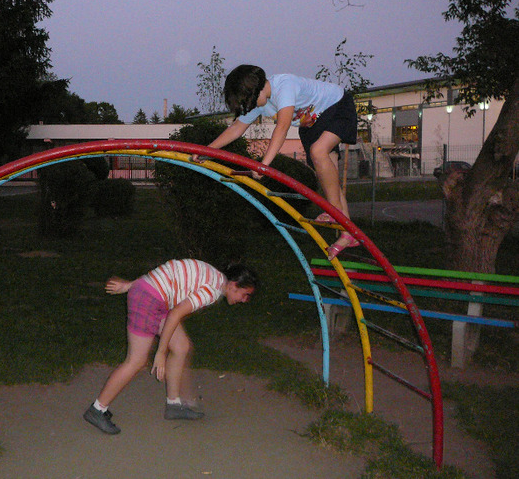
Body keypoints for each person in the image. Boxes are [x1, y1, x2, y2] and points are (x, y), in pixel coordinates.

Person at [193, 65, 359, 260]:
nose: (252, 108)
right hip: (312, 125)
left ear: (256, 91)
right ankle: (348, 234)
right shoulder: (259, 100)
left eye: (250, 103)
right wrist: (207, 151)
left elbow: (282, 127)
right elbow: (236, 128)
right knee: (328, 175)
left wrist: (264, 164)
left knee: (318, 151)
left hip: (336, 106)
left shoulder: (284, 85)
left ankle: (334, 212)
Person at [83, 259, 258, 435]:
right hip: (148, 300)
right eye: (245, 295)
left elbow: (169, 272)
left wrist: (131, 285)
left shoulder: (215, 275)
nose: (244, 300)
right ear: (234, 285)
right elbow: (175, 313)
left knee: (181, 346)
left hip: (155, 298)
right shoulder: (212, 290)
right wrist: (161, 352)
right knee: (136, 360)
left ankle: (173, 405)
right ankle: (97, 410)